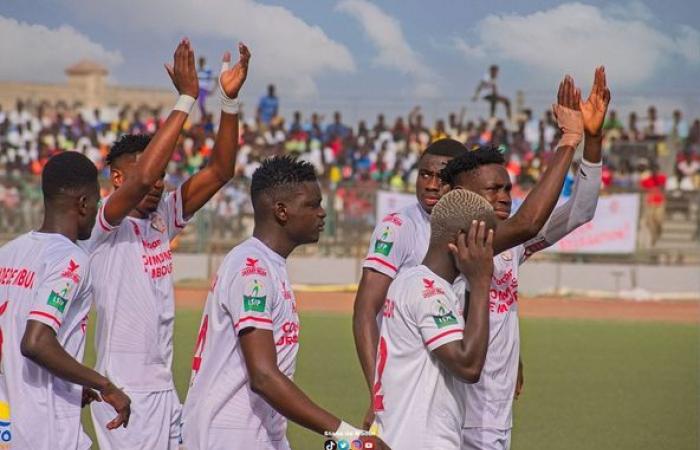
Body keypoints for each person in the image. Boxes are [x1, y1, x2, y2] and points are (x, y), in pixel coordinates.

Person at [81, 39, 251, 449]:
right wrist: (188, 98)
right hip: (121, 390)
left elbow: (221, 171)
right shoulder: (103, 224)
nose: (157, 182)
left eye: (162, 175)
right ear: (117, 179)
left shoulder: (162, 218)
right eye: (145, 174)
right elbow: (143, 178)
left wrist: (227, 103)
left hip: (164, 390)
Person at [440, 68, 610, 450]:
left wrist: (594, 140)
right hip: (457, 421)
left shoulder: (511, 246)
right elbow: (529, 222)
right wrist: (570, 138)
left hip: (496, 416)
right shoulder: (457, 244)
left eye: (507, 188)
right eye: (492, 189)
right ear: (461, 196)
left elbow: (580, 210)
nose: (503, 196)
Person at [181, 156, 389, 450]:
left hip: (259, 433)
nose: (322, 213)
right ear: (281, 211)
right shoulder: (252, 267)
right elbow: (263, 376)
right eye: (312, 205)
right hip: (226, 436)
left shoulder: (268, 264)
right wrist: (349, 438)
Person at [0, 152, 131, 449]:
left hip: (9, 428)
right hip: (46, 432)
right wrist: (105, 385)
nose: (98, 208)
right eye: (97, 201)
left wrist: (69, 380)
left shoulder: (9, 253)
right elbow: (35, 342)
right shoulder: (70, 259)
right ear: (83, 204)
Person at [353, 138, 468, 427]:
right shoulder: (398, 227)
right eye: (424, 174)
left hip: (453, 375)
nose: (430, 184)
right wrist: (377, 392)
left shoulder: (467, 226)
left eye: (441, 177)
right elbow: (365, 311)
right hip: (405, 382)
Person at [372, 189, 495, 449]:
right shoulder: (430, 292)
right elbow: (468, 367)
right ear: (462, 240)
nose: (489, 253)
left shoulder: (410, 280)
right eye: (485, 241)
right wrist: (482, 281)